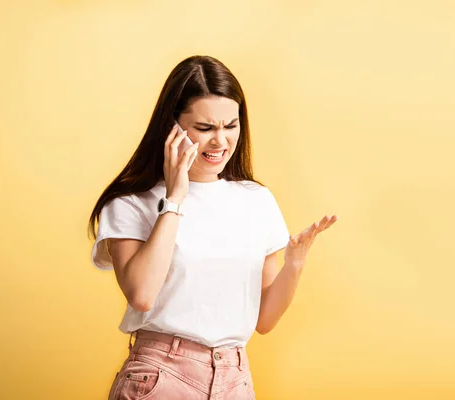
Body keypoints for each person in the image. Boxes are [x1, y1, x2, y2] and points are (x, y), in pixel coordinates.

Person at [87, 55, 338, 400]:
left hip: (235, 379)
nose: (220, 141)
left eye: (230, 125)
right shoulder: (132, 202)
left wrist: (295, 263)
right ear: (171, 127)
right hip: (162, 376)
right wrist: (175, 198)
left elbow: (264, 321)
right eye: (205, 128)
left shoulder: (256, 199)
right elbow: (142, 295)